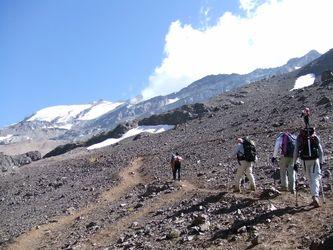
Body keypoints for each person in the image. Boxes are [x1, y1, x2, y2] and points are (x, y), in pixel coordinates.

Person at [293, 127, 324, 207]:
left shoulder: (299, 137)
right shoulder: (315, 136)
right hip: (315, 159)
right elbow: (320, 150)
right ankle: (315, 196)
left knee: (310, 178)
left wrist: (295, 163)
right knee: (315, 178)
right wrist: (321, 162)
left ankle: (314, 197)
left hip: (304, 160)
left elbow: (296, 150)